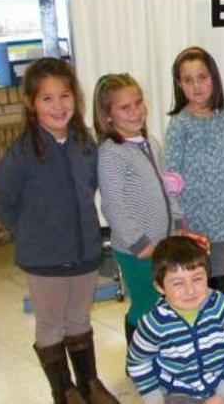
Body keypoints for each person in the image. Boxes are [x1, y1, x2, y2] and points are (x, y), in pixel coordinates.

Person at [0, 58, 119, 403]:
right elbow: (1, 202)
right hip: (43, 258)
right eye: (47, 98)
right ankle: (63, 390)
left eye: (64, 96)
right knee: (51, 324)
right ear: (31, 104)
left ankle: (89, 383)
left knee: (79, 317)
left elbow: (91, 185)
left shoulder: (84, 142)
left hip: (85, 252)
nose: (58, 106)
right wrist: (33, 232)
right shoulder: (21, 153)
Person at [94, 73, 180, 347]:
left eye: (138, 102)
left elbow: (166, 185)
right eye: (124, 107)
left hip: (161, 243)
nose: (135, 111)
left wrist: (178, 219)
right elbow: (112, 203)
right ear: (108, 116)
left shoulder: (150, 142)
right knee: (145, 305)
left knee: (162, 301)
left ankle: (163, 351)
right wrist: (138, 242)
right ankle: (138, 357)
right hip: (137, 249)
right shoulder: (111, 153)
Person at [127, 236, 224, 404]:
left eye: (197, 279)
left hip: (223, 382)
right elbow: (138, 363)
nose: (190, 290)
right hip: (179, 393)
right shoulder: (153, 324)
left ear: (208, 276)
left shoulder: (222, 307)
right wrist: (155, 400)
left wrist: (222, 394)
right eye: (178, 283)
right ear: (159, 287)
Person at [165, 47, 224, 296]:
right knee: (195, 265)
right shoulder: (179, 124)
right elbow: (171, 175)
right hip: (192, 211)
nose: (196, 86)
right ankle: (199, 316)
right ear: (179, 85)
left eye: (202, 77)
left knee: (219, 263)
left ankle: (221, 314)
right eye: (188, 80)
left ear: (213, 79)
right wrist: (177, 214)